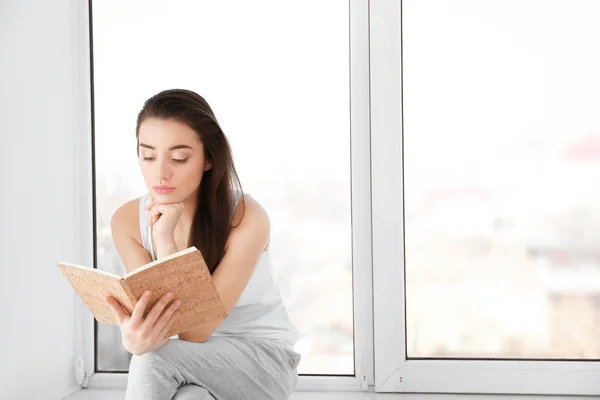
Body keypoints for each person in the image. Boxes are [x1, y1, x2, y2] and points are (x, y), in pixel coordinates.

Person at [105, 89, 301, 400]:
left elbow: (194, 331)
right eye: (149, 156)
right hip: (188, 361)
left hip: (261, 361)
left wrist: (165, 241)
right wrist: (134, 339)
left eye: (179, 158)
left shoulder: (247, 217)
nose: (161, 173)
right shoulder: (126, 221)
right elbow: (157, 319)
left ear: (208, 158)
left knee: (154, 359)